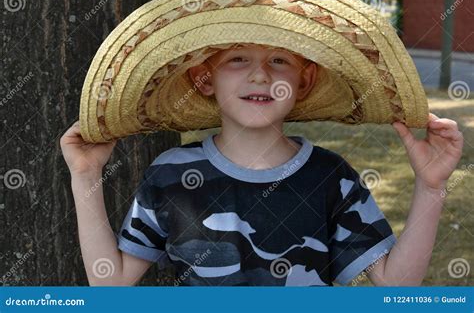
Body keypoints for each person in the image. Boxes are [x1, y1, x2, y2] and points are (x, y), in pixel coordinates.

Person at [61, 42, 463, 286]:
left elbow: (398, 287)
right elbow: (109, 283)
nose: (259, 75)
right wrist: (85, 176)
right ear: (205, 80)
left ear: (302, 82)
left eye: (278, 61)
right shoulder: (171, 175)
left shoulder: (330, 177)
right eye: (237, 58)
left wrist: (430, 188)